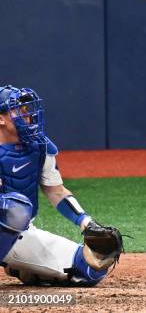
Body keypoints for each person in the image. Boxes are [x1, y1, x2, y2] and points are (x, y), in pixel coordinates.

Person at [0, 85, 123, 286]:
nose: (28, 115)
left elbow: (55, 190)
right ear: (1, 118)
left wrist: (86, 222)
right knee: (14, 206)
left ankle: (24, 267)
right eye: (19, 110)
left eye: (28, 109)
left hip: (17, 234)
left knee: (91, 269)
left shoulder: (40, 146)